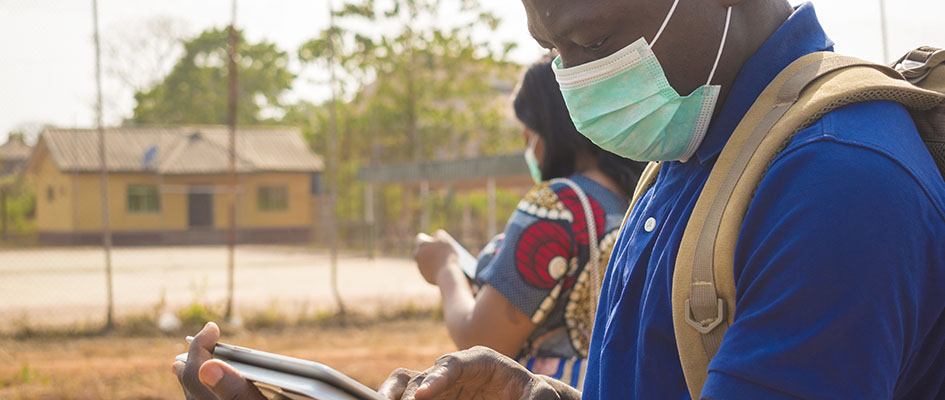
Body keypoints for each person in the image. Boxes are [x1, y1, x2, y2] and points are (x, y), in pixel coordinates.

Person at [176, 0, 945, 398]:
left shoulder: (834, 183)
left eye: (592, 42)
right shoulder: (693, 152)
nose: (574, 80)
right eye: (552, 49)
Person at [413, 57, 646, 385]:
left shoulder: (557, 206)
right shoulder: (638, 197)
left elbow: (481, 340)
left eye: (529, 133)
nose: (528, 147)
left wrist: (446, 267)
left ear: (551, 128)